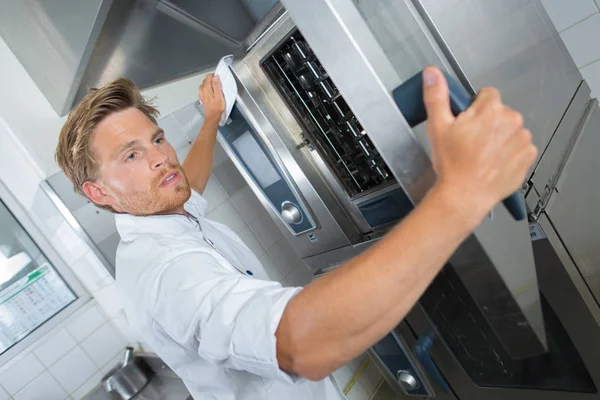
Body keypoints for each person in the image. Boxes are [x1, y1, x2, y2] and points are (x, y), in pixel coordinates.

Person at [55, 66, 537, 399]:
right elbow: (299, 344)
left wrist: (210, 120)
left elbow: (189, 180)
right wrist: (461, 194)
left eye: (157, 139)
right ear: (98, 193)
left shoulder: (160, 212)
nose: (162, 157)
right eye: (132, 155)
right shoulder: (165, 273)